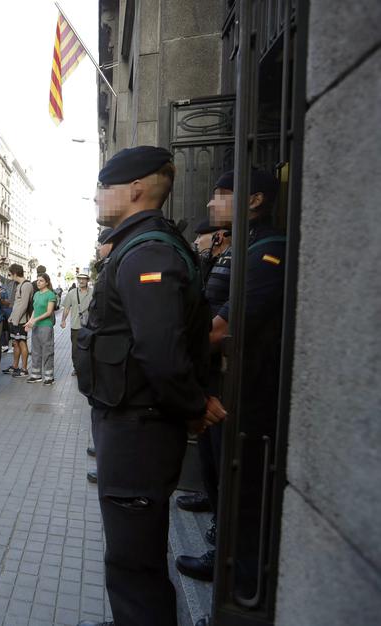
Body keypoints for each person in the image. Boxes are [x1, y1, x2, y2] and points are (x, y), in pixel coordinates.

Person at [75, 146, 226, 626]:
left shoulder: (148, 252)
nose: (97, 196)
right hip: (133, 421)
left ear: (136, 188)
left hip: (138, 428)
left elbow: (161, 350)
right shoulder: (139, 245)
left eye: (104, 187)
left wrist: (192, 405)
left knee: (133, 559)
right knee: (132, 550)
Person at [175, 168, 283, 591]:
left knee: (244, 491)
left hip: (248, 390)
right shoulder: (239, 248)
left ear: (254, 200)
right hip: (223, 381)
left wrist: (173, 353)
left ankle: (240, 590)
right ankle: (225, 558)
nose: (209, 202)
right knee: (221, 475)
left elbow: (221, 330)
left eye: (222, 194)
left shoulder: (267, 251)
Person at [25, 272, 58, 385]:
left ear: (47, 283)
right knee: (35, 351)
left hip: (46, 326)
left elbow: (49, 312)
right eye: (37, 280)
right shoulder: (36, 294)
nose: (38, 283)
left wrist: (35, 320)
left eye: (41, 281)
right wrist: (30, 322)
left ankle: (49, 377)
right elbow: (35, 310)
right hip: (36, 326)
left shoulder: (50, 295)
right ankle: (36, 375)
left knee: (47, 351)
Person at [61, 270, 93, 376]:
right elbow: (66, 308)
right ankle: (77, 368)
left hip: (90, 326)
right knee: (75, 349)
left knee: (89, 348)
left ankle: (88, 367)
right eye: (80, 279)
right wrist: (63, 320)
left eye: (84, 279)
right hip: (75, 326)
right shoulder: (72, 293)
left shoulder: (93, 292)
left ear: (87, 280)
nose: (81, 281)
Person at [4, 264, 33, 377]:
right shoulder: (20, 285)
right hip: (15, 319)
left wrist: (15, 319)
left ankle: (24, 369)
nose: (10, 276)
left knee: (22, 342)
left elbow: (24, 305)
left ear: (15, 273)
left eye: (10, 274)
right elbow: (17, 304)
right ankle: (15, 366)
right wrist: (11, 317)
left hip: (21, 321)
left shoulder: (26, 285)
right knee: (15, 343)